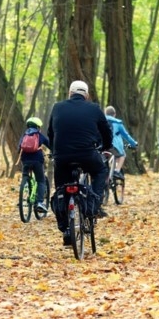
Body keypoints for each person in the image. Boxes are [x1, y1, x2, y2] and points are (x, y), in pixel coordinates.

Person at [48, 80, 113, 245]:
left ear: (69, 94)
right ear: (87, 95)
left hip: (62, 156)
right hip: (87, 154)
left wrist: (55, 151)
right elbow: (106, 131)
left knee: (61, 189)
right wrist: (106, 146)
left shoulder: (57, 107)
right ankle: (93, 205)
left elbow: (50, 133)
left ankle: (65, 228)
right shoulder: (94, 108)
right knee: (100, 171)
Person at [18, 117, 50, 213]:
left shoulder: (24, 136)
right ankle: (40, 202)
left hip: (25, 160)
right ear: (38, 127)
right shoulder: (40, 136)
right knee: (41, 180)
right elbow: (50, 145)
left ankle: (24, 188)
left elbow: (19, 148)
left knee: (25, 175)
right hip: (37, 160)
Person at [104, 106, 138, 179]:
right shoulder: (117, 123)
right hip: (113, 146)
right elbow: (126, 136)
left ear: (105, 113)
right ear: (114, 114)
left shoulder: (101, 121)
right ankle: (117, 171)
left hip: (102, 145)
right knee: (122, 155)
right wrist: (134, 143)